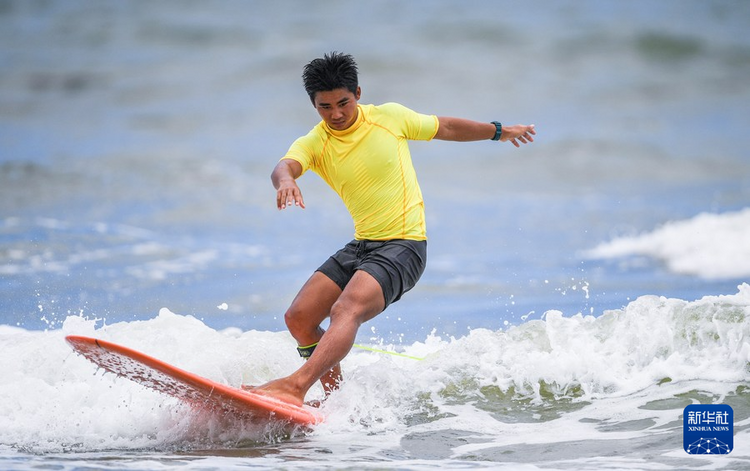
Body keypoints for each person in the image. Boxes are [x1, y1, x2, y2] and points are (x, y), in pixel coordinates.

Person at [251, 52, 535, 406]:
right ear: (314, 105)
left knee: (345, 310)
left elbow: (445, 127)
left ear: (358, 92)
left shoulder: (388, 118)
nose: (336, 114)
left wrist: (498, 131)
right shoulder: (316, 141)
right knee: (299, 318)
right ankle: (335, 401)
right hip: (362, 246)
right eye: (325, 107)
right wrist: (284, 183)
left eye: (344, 103)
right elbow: (285, 166)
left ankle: (295, 387)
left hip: (405, 244)